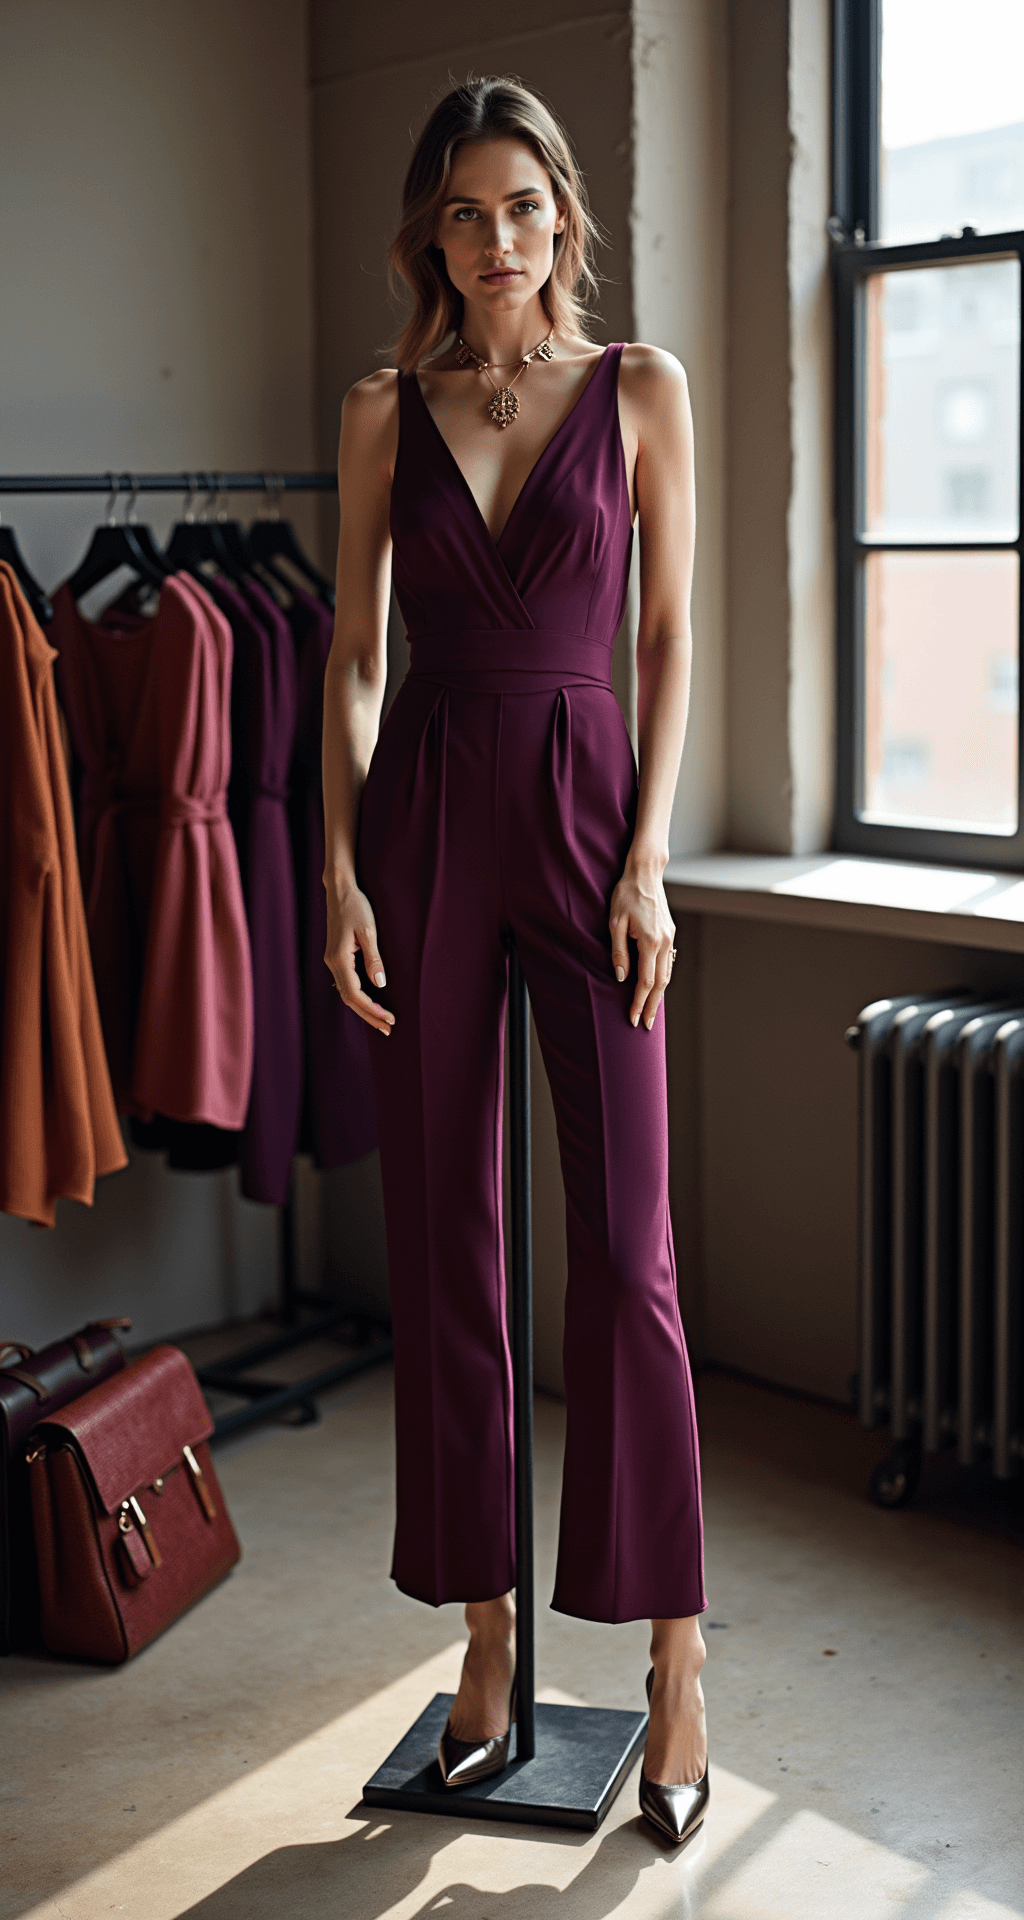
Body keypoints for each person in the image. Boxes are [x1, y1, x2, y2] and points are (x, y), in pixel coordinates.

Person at [322, 74, 708, 1846]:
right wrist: (337, 865)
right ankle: (482, 1631)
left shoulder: (640, 394)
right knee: (448, 1246)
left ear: (565, 212)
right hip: (424, 824)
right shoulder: (383, 413)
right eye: (462, 215)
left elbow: (671, 639)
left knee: (626, 1258)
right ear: (434, 232)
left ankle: (677, 1657)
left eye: (521, 207)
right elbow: (349, 657)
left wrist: (648, 860)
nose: (494, 243)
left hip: (581, 810)